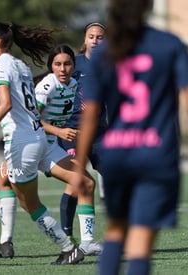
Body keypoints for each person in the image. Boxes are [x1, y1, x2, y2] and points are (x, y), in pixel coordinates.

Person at [75, 1, 188, 274]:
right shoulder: (169, 44)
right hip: (156, 153)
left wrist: (80, 164)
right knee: (139, 241)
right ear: (149, 6)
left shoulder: (105, 51)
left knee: (116, 230)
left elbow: (91, 112)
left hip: (116, 153)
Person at [0, 21, 84, 265]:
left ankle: (68, 248)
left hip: (22, 142)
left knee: (30, 203)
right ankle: (1, 242)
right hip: (33, 137)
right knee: (3, 178)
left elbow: (6, 104)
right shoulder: (20, 65)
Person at [56, 22, 107, 246]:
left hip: (100, 134)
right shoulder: (73, 66)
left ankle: (108, 236)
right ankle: (67, 237)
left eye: (100, 37)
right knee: (78, 181)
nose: (95, 41)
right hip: (73, 132)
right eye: (91, 36)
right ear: (85, 40)